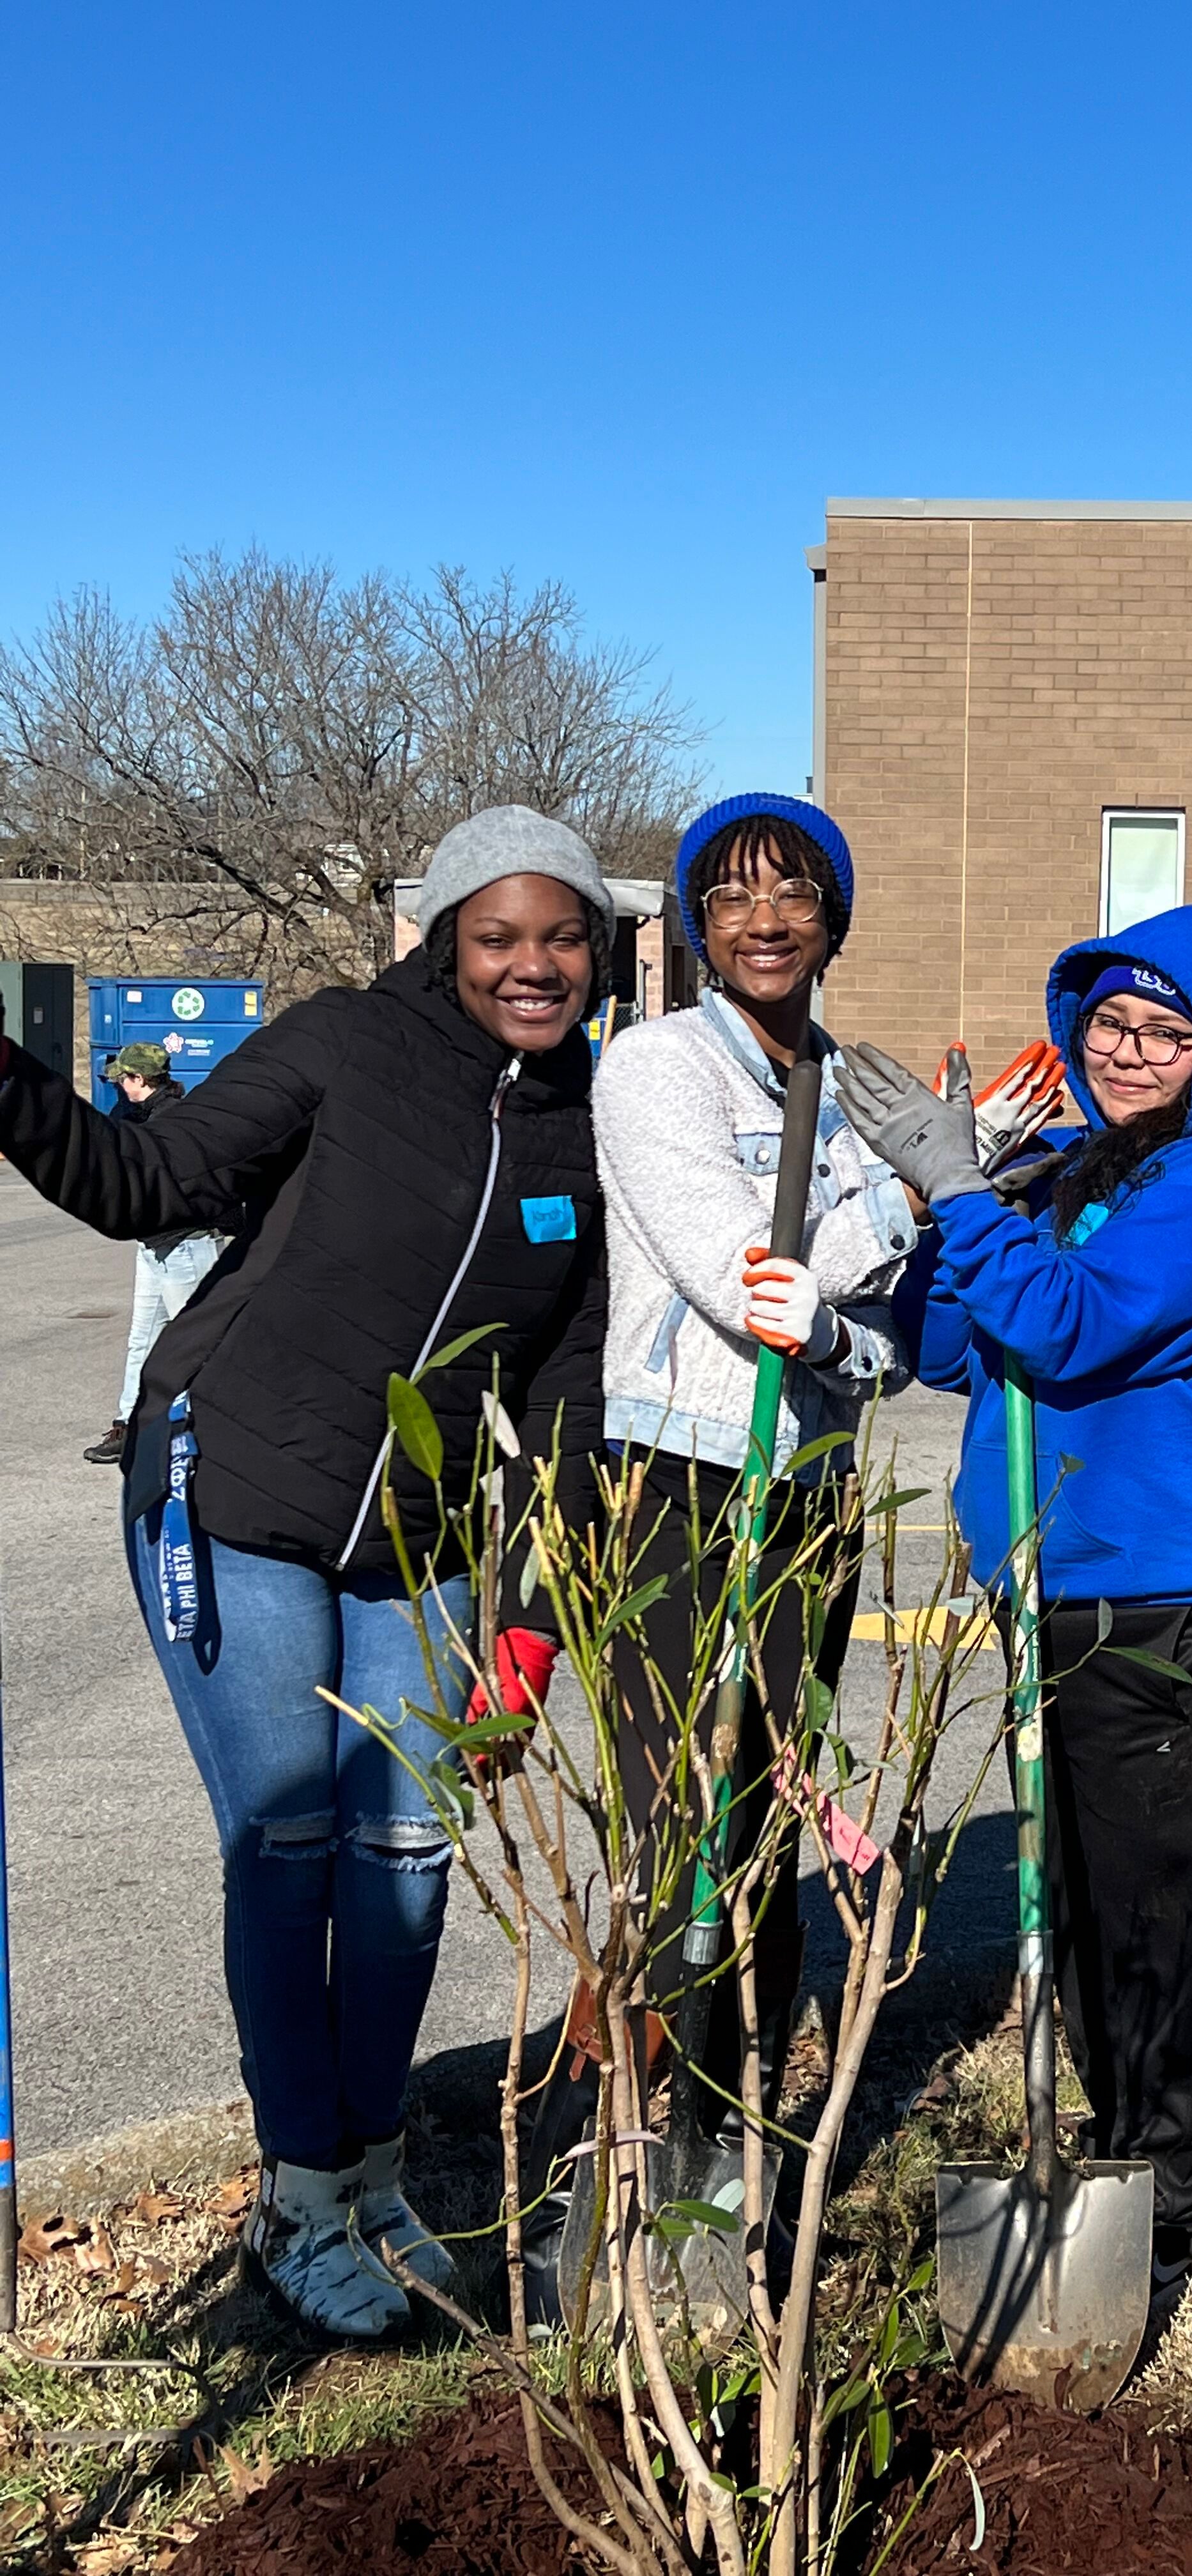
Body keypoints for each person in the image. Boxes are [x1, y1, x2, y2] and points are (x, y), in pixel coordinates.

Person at [0, 805, 611, 2339]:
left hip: (424, 1539)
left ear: (599, 949)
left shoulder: (586, 1118)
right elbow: (146, 1183)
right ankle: (296, 2191)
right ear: (443, 939)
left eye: (563, 936)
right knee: (287, 1846)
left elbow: (566, 1395)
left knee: (405, 1858)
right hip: (235, 1494)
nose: (533, 965)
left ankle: (369, 2167)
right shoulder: (342, 1043)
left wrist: (529, 1627)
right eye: (499, 936)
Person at [840, 905, 1192, 2320]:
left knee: (1166, 1908)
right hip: (1065, 1585)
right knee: (1101, 1902)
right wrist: (957, 1194)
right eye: (1111, 1022)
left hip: (1186, 1595)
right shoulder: (1075, 1172)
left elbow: (1068, 1326)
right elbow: (944, 1348)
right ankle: (1118, 2160)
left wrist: (972, 1201)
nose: (1129, 1052)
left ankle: (1175, 2200)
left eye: (1170, 1034)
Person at [582, 793, 931, 2228]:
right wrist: (916, 1193)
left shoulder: (857, 1083)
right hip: (680, 1473)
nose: (767, 918)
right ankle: (629, 2148)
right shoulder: (657, 1070)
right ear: (695, 924)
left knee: (770, 1813)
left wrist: (863, 1301)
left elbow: (884, 1340)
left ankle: (739, 2136)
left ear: (834, 920)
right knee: (673, 1823)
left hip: (807, 1488)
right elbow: (748, 1286)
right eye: (732, 896)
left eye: (795, 893)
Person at [82, 1045, 229, 1465]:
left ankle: (219, 1429)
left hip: (187, 1245)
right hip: (153, 1247)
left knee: (200, 1342)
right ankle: (128, 1426)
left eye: (123, 1079)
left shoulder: (176, 1122)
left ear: (140, 1081)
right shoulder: (132, 1116)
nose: (117, 1085)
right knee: (141, 1341)